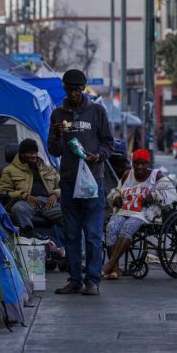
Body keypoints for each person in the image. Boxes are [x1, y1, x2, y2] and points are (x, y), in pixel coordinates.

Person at [48, 68, 114, 296]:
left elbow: (108, 143)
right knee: (71, 234)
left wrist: (99, 156)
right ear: (65, 89)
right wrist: (56, 135)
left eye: (77, 90)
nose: (74, 94)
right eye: (70, 89)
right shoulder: (58, 114)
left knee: (93, 234)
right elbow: (54, 150)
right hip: (68, 180)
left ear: (83, 89)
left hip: (93, 181)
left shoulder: (97, 112)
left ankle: (93, 280)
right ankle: (75, 279)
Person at [101, 149, 177, 279]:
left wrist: (153, 196)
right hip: (125, 210)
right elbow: (116, 190)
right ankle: (116, 269)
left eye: (143, 163)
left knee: (127, 228)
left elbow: (172, 194)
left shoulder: (156, 176)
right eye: (136, 163)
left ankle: (110, 265)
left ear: (148, 164)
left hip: (144, 213)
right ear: (132, 163)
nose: (139, 167)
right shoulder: (127, 175)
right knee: (111, 228)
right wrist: (116, 197)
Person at [0, 138, 62, 238]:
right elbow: (4, 191)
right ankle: (30, 237)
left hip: (48, 203)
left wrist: (55, 194)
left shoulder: (48, 168)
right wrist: (25, 196)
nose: (33, 155)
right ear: (22, 154)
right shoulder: (9, 170)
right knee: (18, 209)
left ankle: (68, 246)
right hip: (26, 203)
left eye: (35, 152)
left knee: (69, 214)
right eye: (29, 153)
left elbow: (61, 186)